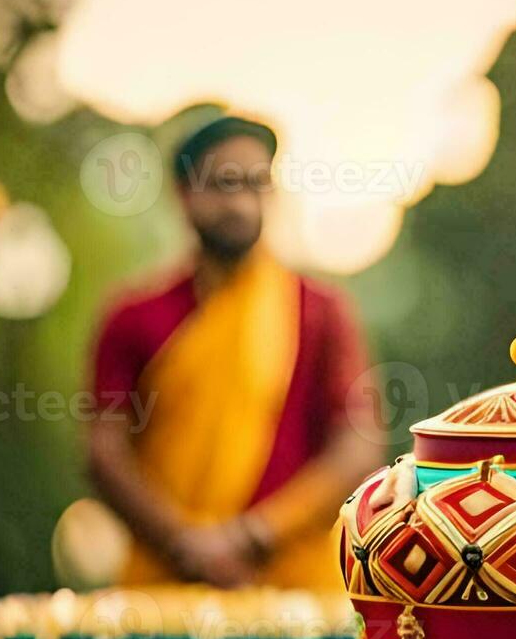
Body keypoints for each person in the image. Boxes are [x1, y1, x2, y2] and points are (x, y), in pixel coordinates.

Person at [86, 116, 381, 590]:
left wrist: (255, 535)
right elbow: (105, 452)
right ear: (184, 194)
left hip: (292, 590)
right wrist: (184, 543)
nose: (241, 203)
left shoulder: (320, 312)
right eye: (224, 184)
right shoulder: (133, 317)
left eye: (257, 184)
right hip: (164, 585)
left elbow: (358, 444)